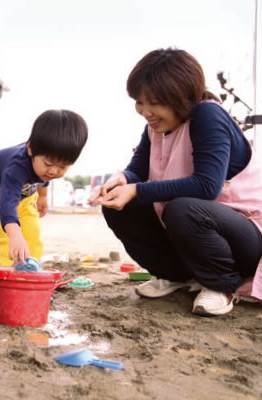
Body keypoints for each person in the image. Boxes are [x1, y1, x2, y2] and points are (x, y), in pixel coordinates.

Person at [89, 48, 262, 316]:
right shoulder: (156, 125)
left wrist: (135, 189)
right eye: (139, 102)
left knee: (182, 209)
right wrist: (120, 180)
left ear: (182, 98)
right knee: (120, 206)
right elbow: (137, 169)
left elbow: (207, 186)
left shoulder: (207, 116)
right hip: (201, 231)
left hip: (246, 235)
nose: (145, 111)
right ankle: (176, 275)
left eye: (155, 102)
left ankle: (223, 285)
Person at [0, 110, 88, 268]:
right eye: (48, 164)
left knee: (32, 235)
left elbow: (43, 180)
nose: (53, 171)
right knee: (3, 239)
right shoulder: (17, 167)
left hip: (23, 195)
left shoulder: (44, 168)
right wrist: (14, 234)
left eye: (62, 167)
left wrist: (42, 196)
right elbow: (7, 204)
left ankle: (30, 275)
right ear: (30, 149)